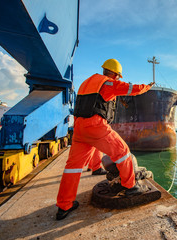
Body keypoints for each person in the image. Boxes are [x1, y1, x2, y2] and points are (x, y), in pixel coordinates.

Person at [56, 59, 154, 220]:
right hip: (96, 126)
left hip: (79, 129)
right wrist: (147, 86)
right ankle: (131, 186)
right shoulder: (108, 83)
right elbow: (132, 89)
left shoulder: (86, 83)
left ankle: (64, 205)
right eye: (119, 76)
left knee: (72, 167)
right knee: (123, 153)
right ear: (116, 74)